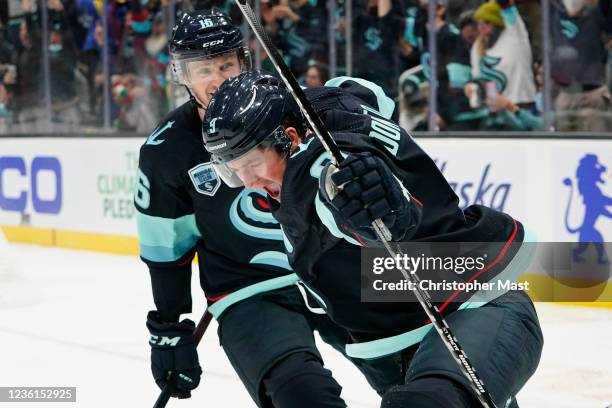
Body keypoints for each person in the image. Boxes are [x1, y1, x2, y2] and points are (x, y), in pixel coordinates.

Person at [203, 70, 544, 407]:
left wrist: (375, 207)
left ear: (290, 138)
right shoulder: (335, 99)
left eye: (252, 164)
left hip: (474, 306)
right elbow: (369, 91)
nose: (248, 182)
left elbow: (360, 204)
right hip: (397, 341)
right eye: (234, 170)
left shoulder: (320, 173)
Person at [135, 9, 402, 407]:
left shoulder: (288, 104)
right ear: (181, 75)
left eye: (226, 63)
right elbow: (166, 249)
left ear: (244, 61)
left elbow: (371, 98)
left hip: (334, 269)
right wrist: (169, 327)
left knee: (421, 376)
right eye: (202, 69)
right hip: (250, 289)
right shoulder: (166, 152)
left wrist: (355, 111)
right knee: (302, 394)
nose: (217, 78)